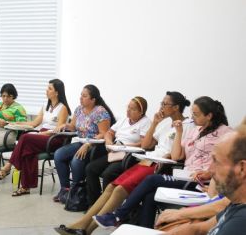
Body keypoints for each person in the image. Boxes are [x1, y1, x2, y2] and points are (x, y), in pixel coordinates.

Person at [54, 91, 194, 235]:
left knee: (120, 189)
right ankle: (83, 227)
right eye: (161, 103)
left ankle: (85, 228)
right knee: (110, 187)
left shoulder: (187, 126)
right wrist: (155, 123)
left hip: (160, 166)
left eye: (165, 104)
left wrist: (171, 146)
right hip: (147, 160)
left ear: (176, 107)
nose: (161, 107)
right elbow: (146, 145)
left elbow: (179, 155)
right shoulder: (164, 124)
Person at [93, 96, 232, 229]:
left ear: (209, 115)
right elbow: (177, 155)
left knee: (152, 179)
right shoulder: (195, 130)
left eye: (196, 114)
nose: (193, 118)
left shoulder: (226, 133)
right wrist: (179, 132)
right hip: (185, 175)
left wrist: (210, 173)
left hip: (201, 181)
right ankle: (144, 230)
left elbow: (229, 162)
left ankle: (118, 215)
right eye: (192, 114)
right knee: (150, 195)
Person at [0, 79, 71, 196]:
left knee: (25, 138)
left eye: (50, 89)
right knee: (28, 151)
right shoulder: (46, 106)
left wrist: (40, 134)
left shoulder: (63, 108)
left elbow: (57, 130)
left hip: (54, 139)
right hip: (42, 137)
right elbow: (34, 124)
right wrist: (14, 124)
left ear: (57, 92)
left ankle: (8, 166)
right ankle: (25, 187)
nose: (46, 90)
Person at [164, 124, 246, 235]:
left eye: (216, 161)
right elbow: (199, 229)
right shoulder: (235, 204)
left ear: (242, 168)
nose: (210, 170)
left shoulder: (240, 221)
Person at [53, 84, 116, 201]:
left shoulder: (100, 112)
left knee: (76, 161)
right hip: (81, 142)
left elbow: (104, 133)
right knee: (58, 154)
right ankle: (65, 190)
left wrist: (88, 144)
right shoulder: (79, 109)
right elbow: (73, 127)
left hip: (95, 145)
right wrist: (65, 125)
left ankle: (77, 192)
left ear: (93, 100)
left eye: (84, 96)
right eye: (81, 95)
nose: (81, 98)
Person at [85, 96, 151, 206]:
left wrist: (125, 146)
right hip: (115, 151)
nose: (128, 111)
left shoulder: (145, 122)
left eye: (133, 109)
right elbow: (109, 132)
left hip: (129, 155)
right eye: (128, 107)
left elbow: (143, 144)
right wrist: (109, 142)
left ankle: (106, 207)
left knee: (108, 174)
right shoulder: (124, 119)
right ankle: (95, 203)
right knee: (90, 169)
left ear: (141, 112)